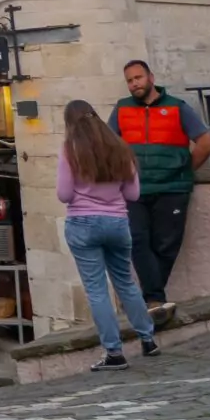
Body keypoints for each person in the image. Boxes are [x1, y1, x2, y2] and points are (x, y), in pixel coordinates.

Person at [60, 99, 160, 370]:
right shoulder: (120, 148)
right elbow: (133, 194)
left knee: (96, 290)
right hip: (117, 222)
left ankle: (114, 353)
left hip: (82, 223)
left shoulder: (70, 150)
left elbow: (64, 194)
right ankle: (148, 339)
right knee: (126, 282)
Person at [110, 61, 210, 307]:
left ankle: (151, 299)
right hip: (135, 189)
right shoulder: (121, 109)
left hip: (172, 189)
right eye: (129, 80)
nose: (134, 83)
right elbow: (108, 144)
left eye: (138, 77)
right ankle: (154, 299)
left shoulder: (177, 108)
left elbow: (206, 142)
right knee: (137, 239)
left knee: (166, 244)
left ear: (151, 77)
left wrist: (186, 169)